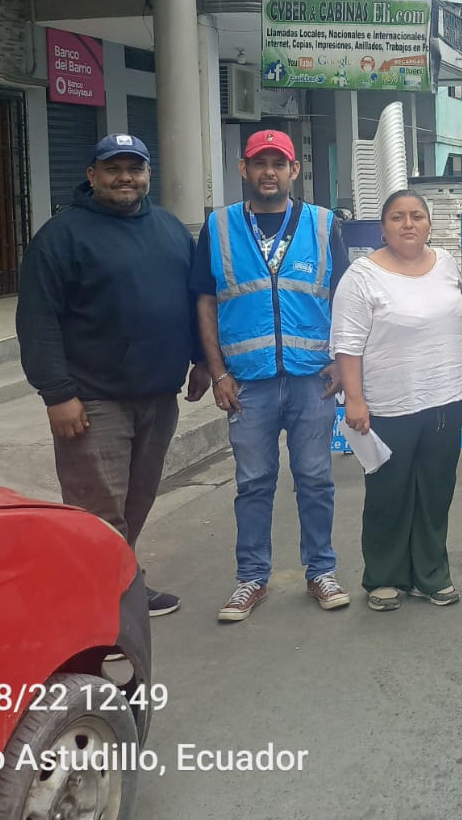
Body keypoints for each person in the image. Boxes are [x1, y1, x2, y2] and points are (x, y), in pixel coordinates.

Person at [17, 133, 208, 619]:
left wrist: (202, 360)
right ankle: (102, 612)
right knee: (97, 510)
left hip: (158, 396)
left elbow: (193, 303)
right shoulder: (60, 237)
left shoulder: (169, 229)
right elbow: (37, 320)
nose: (125, 177)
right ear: (92, 175)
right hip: (93, 401)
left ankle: (119, 585)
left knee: (135, 503)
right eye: (113, 168)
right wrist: (56, 393)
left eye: (134, 168)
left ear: (148, 174)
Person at [195, 130, 352, 622]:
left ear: (293, 170)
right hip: (248, 382)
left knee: (315, 479)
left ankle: (321, 570)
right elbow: (205, 301)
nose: (269, 172)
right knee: (254, 482)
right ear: (243, 169)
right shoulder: (219, 226)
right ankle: (251, 578)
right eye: (259, 163)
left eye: (278, 163)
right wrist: (217, 372)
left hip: (312, 378)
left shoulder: (323, 224)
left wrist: (341, 360)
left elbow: (345, 296)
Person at [331, 190, 462, 611]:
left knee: (435, 492)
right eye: (397, 217)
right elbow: (346, 343)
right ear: (383, 228)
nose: (408, 224)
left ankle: (431, 575)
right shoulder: (362, 276)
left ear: (429, 224)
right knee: (388, 495)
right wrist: (354, 399)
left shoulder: (446, 263)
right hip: (389, 405)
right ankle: (384, 576)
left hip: (446, 399)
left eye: (416, 216)